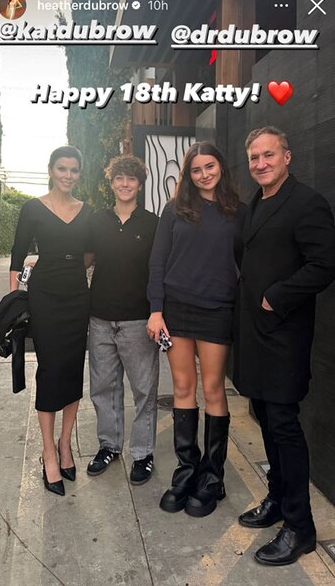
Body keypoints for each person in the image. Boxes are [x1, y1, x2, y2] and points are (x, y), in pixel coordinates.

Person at [234, 126, 335, 565]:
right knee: (262, 415)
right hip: (254, 333)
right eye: (254, 157)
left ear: (287, 156)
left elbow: (326, 263)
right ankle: (277, 500)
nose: (261, 163)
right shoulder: (256, 202)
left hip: (285, 335)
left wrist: (277, 296)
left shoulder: (307, 202)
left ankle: (300, 527)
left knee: (284, 425)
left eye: (268, 155)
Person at [147, 141, 246, 517]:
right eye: (196, 169)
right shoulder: (174, 211)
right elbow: (157, 263)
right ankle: (187, 472)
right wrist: (156, 311)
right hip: (176, 311)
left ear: (221, 167)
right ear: (188, 174)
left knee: (213, 389)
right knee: (184, 389)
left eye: (210, 166)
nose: (204, 174)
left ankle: (212, 478)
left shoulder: (238, 212)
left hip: (217, 310)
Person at [10, 145, 92, 496]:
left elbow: (90, 255)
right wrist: (15, 304)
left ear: (79, 174)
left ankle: (65, 444)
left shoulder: (86, 212)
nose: (68, 176)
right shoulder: (32, 208)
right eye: (62, 169)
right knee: (50, 370)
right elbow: (16, 258)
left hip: (77, 297)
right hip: (44, 299)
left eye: (74, 170)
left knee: (73, 370)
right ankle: (47, 451)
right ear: (50, 170)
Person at [86, 155, 159, 485]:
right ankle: (109, 446)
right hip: (99, 317)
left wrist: (159, 311)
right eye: (119, 178)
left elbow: (159, 271)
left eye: (131, 178)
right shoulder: (97, 221)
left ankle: (143, 453)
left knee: (144, 390)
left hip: (138, 320)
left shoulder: (152, 223)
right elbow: (83, 259)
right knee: (103, 387)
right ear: (111, 182)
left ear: (140, 184)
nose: (125, 183)